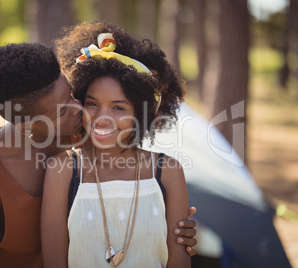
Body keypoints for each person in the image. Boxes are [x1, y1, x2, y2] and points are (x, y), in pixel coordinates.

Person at [0, 42, 196, 267]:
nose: (78, 108)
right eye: (61, 111)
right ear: (26, 126)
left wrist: (168, 225)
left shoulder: (91, 131)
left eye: (71, 94)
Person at [41, 29, 190, 267]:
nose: (102, 118)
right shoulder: (63, 170)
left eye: (118, 108)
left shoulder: (167, 171)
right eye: (92, 104)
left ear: (141, 114)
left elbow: (179, 261)